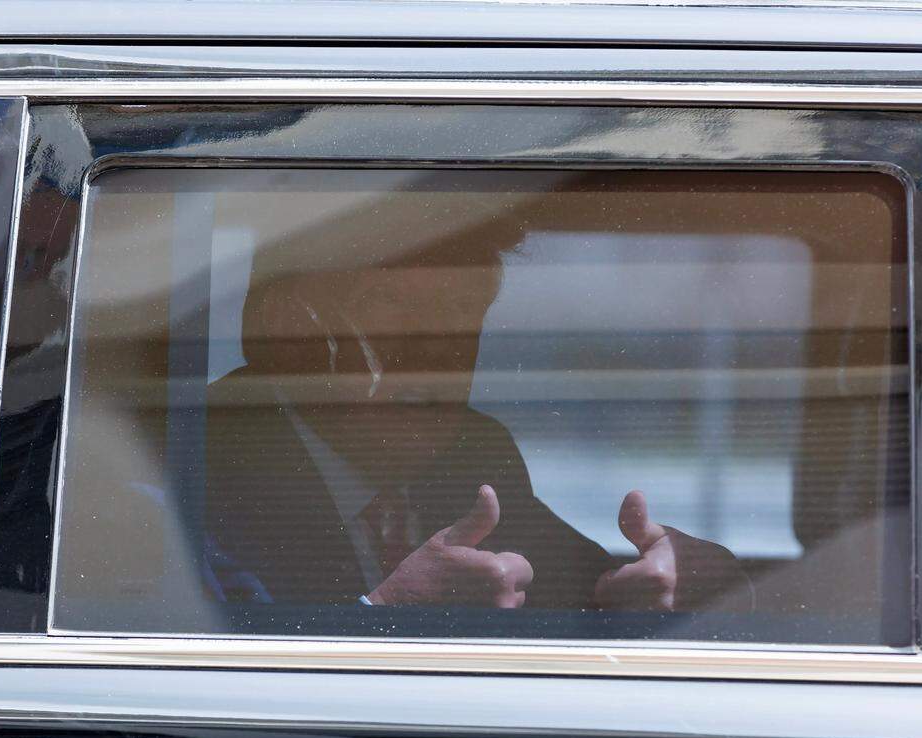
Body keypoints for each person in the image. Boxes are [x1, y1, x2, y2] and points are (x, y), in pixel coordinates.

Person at [200, 181, 750, 612]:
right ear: (291, 324)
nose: (440, 356)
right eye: (396, 313)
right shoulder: (192, 460)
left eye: (464, 320)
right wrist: (388, 611)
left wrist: (691, 583)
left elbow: (600, 591)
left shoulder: (472, 453)